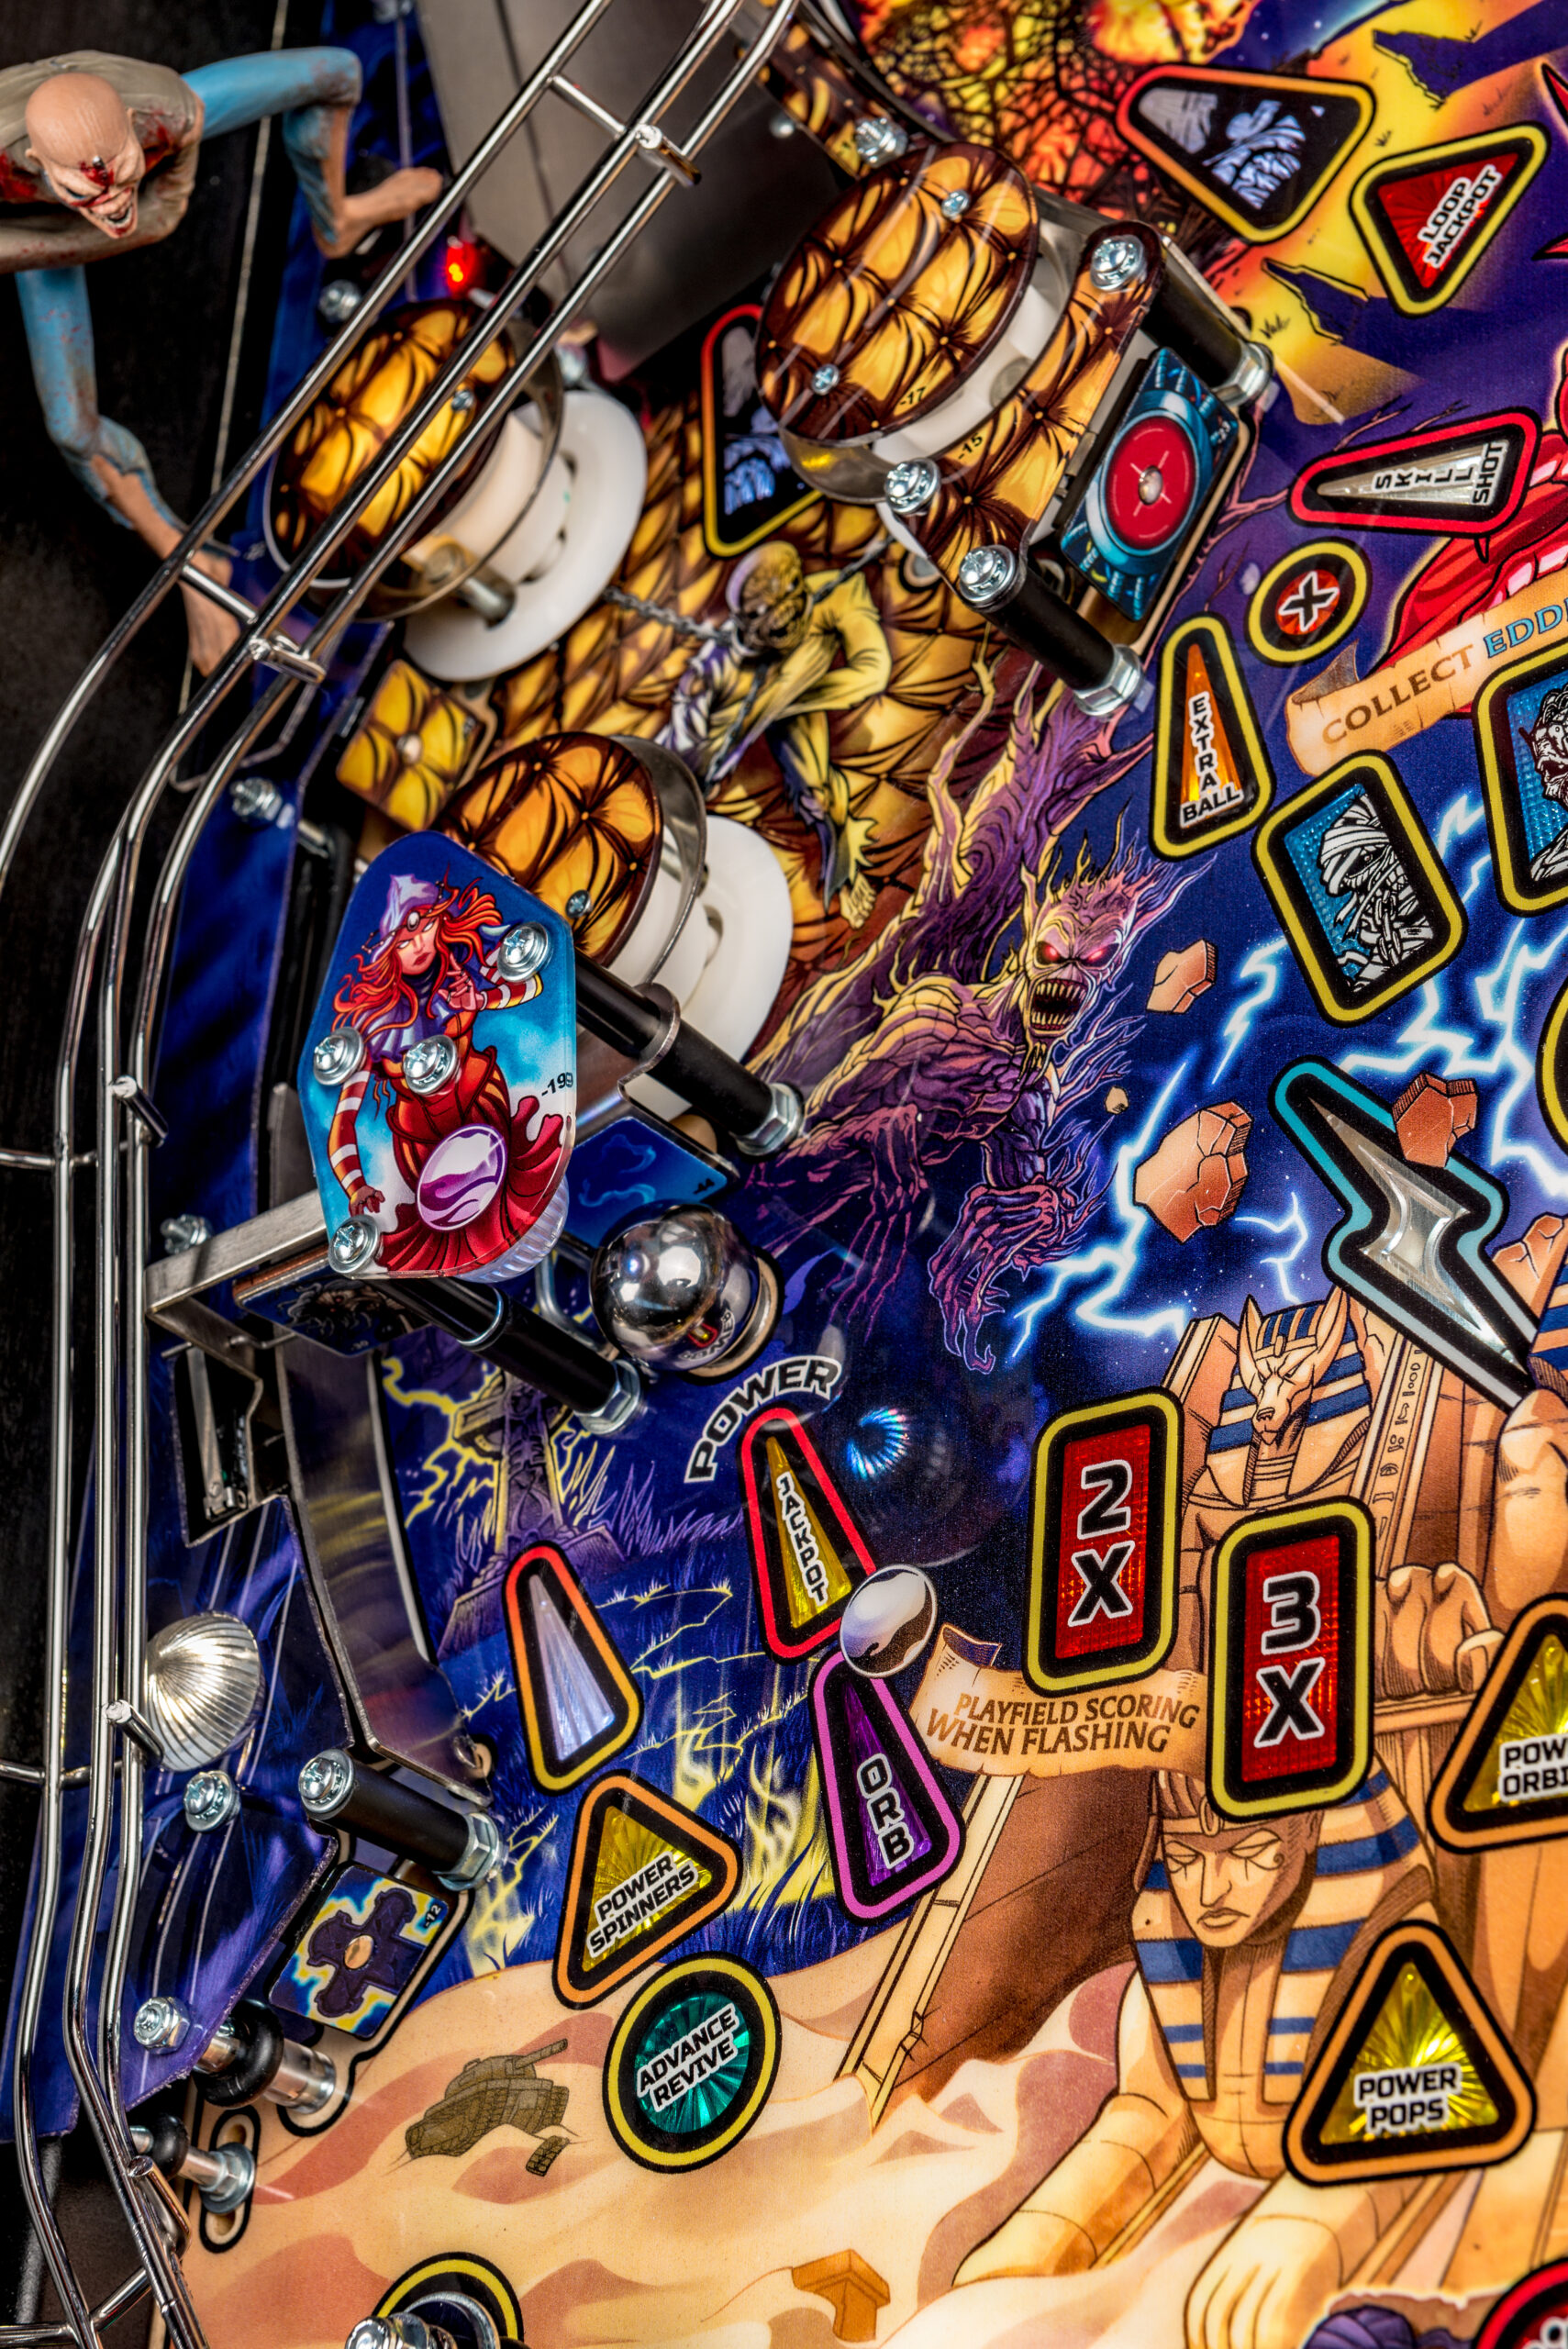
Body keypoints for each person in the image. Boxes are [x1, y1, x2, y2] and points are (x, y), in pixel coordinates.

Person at [955, 1769, 1434, 2349]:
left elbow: (1411, 2126)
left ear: (1309, 1828)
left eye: (1247, 1854)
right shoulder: (1176, 1955)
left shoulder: (1398, 1945)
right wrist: (1039, 2240)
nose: (1211, 1891)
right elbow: (1146, 2112)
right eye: (1185, 1859)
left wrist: (1309, 2223)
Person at [0, 49, 441, 670]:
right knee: (72, 427)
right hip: (37, 226)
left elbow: (163, 213)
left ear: (131, 124)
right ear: (38, 161)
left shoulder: (166, 111)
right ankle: (191, 563)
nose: (114, 202)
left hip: (109, 163)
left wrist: (111, 196)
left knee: (337, 72)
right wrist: (69, 232)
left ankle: (338, 220)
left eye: (123, 173)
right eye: (91, 189)